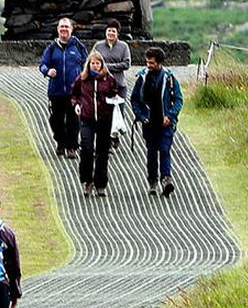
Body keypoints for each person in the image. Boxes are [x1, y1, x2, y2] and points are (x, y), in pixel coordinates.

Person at [129, 46, 184, 197]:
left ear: (159, 63)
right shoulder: (142, 77)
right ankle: (152, 181)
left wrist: (171, 116)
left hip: (165, 123)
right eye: (147, 62)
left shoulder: (170, 78)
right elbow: (134, 99)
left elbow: (178, 99)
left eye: (151, 63)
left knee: (165, 149)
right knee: (152, 153)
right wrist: (140, 116)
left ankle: (166, 179)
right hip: (149, 123)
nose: (148, 65)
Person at [71, 51, 119, 197]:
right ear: (89, 64)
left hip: (104, 120)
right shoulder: (82, 78)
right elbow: (75, 94)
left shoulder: (109, 79)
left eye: (98, 63)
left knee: (102, 152)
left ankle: (101, 184)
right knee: (86, 149)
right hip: (87, 118)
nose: (95, 66)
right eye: (93, 63)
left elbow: (115, 93)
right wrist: (76, 104)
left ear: (102, 64)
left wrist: (113, 100)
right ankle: (87, 182)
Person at [38, 17, 86, 159]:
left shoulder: (78, 46)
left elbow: (87, 63)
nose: (64, 29)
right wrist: (48, 71)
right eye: (61, 27)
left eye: (66, 27)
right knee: (56, 121)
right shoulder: (52, 47)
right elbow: (43, 64)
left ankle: (72, 147)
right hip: (56, 91)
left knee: (73, 121)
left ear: (72, 29)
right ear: (57, 29)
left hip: (74, 92)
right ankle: (61, 142)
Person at [94, 20, 133, 144]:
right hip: (102, 85)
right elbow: (92, 61)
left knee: (119, 112)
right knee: (104, 113)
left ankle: (115, 135)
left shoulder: (123, 46)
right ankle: (108, 140)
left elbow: (126, 64)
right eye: (109, 30)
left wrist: (107, 67)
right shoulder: (98, 45)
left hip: (119, 85)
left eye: (113, 31)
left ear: (118, 33)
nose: (111, 33)